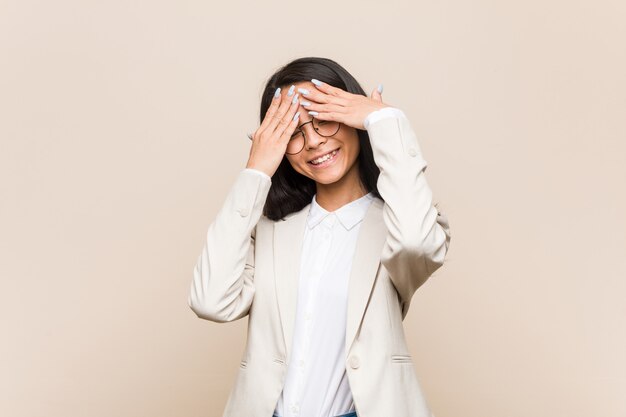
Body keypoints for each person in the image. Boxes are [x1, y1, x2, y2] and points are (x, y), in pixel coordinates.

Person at [188, 56, 452, 417]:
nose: (312, 141)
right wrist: (255, 172)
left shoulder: (399, 224)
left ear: (352, 116)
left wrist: (386, 122)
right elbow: (210, 300)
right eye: (294, 132)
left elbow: (416, 243)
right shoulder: (270, 231)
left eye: (324, 120)